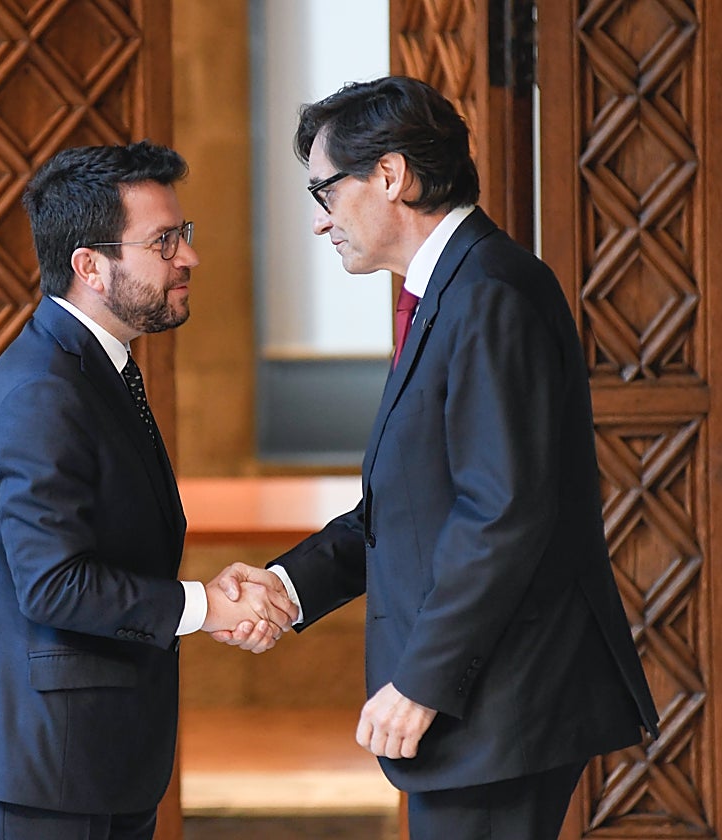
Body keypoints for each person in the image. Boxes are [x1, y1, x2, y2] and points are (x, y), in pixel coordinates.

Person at [215, 76, 660, 839]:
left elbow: (504, 514)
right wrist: (288, 585)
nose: (322, 224)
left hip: (496, 702)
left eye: (324, 192)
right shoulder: (451, 289)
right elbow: (408, 507)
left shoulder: (490, 292)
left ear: (389, 176)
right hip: (481, 706)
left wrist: (421, 684)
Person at [0, 140, 294, 840]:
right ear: (90, 265)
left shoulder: (96, 364)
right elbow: (53, 584)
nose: (189, 258)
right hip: (42, 766)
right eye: (164, 241)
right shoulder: (43, 390)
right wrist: (207, 605)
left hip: (88, 756)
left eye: (184, 235)